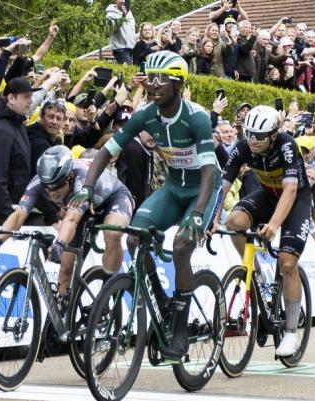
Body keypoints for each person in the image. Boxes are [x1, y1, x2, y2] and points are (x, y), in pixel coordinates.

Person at [70, 51, 222, 362]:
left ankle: (180, 328)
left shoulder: (197, 117)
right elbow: (107, 150)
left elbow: (209, 171)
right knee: (133, 238)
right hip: (172, 187)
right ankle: (164, 301)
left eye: (160, 78)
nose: (152, 84)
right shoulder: (145, 114)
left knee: (181, 247)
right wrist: (87, 188)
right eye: (149, 77)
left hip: (203, 189)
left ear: (177, 82)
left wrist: (196, 214)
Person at [216, 105, 313, 357]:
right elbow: (223, 187)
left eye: (259, 136)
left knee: (287, 263)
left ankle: (291, 332)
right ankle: (254, 271)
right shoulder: (243, 147)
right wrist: (212, 218)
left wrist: (274, 225)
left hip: (296, 201)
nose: (252, 140)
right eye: (249, 133)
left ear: (272, 135)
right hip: (268, 195)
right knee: (234, 221)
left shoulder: (286, 145)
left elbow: (291, 191)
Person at [0, 146, 133, 300]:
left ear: (70, 176)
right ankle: (62, 309)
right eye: (47, 188)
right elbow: (19, 214)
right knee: (66, 269)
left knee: (113, 233)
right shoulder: (39, 182)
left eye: (58, 186)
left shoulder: (81, 178)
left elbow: (71, 219)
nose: (52, 192)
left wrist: (59, 244)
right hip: (81, 208)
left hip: (113, 198)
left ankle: (107, 291)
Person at [0, 77, 39, 224]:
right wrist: (9, 216)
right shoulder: (2, 130)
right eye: (26, 97)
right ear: (11, 98)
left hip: (12, 210)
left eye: (31, 97)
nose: (31, 101)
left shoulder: (17, 126)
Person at [105, 0, 136, 65]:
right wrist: (123, 17)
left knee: (134, 70)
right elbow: (110, 30)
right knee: (128, 69)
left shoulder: (129, 12)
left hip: (131, 47)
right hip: (120, 48)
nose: (124, 1)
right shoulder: (110, 14)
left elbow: (132, 29)